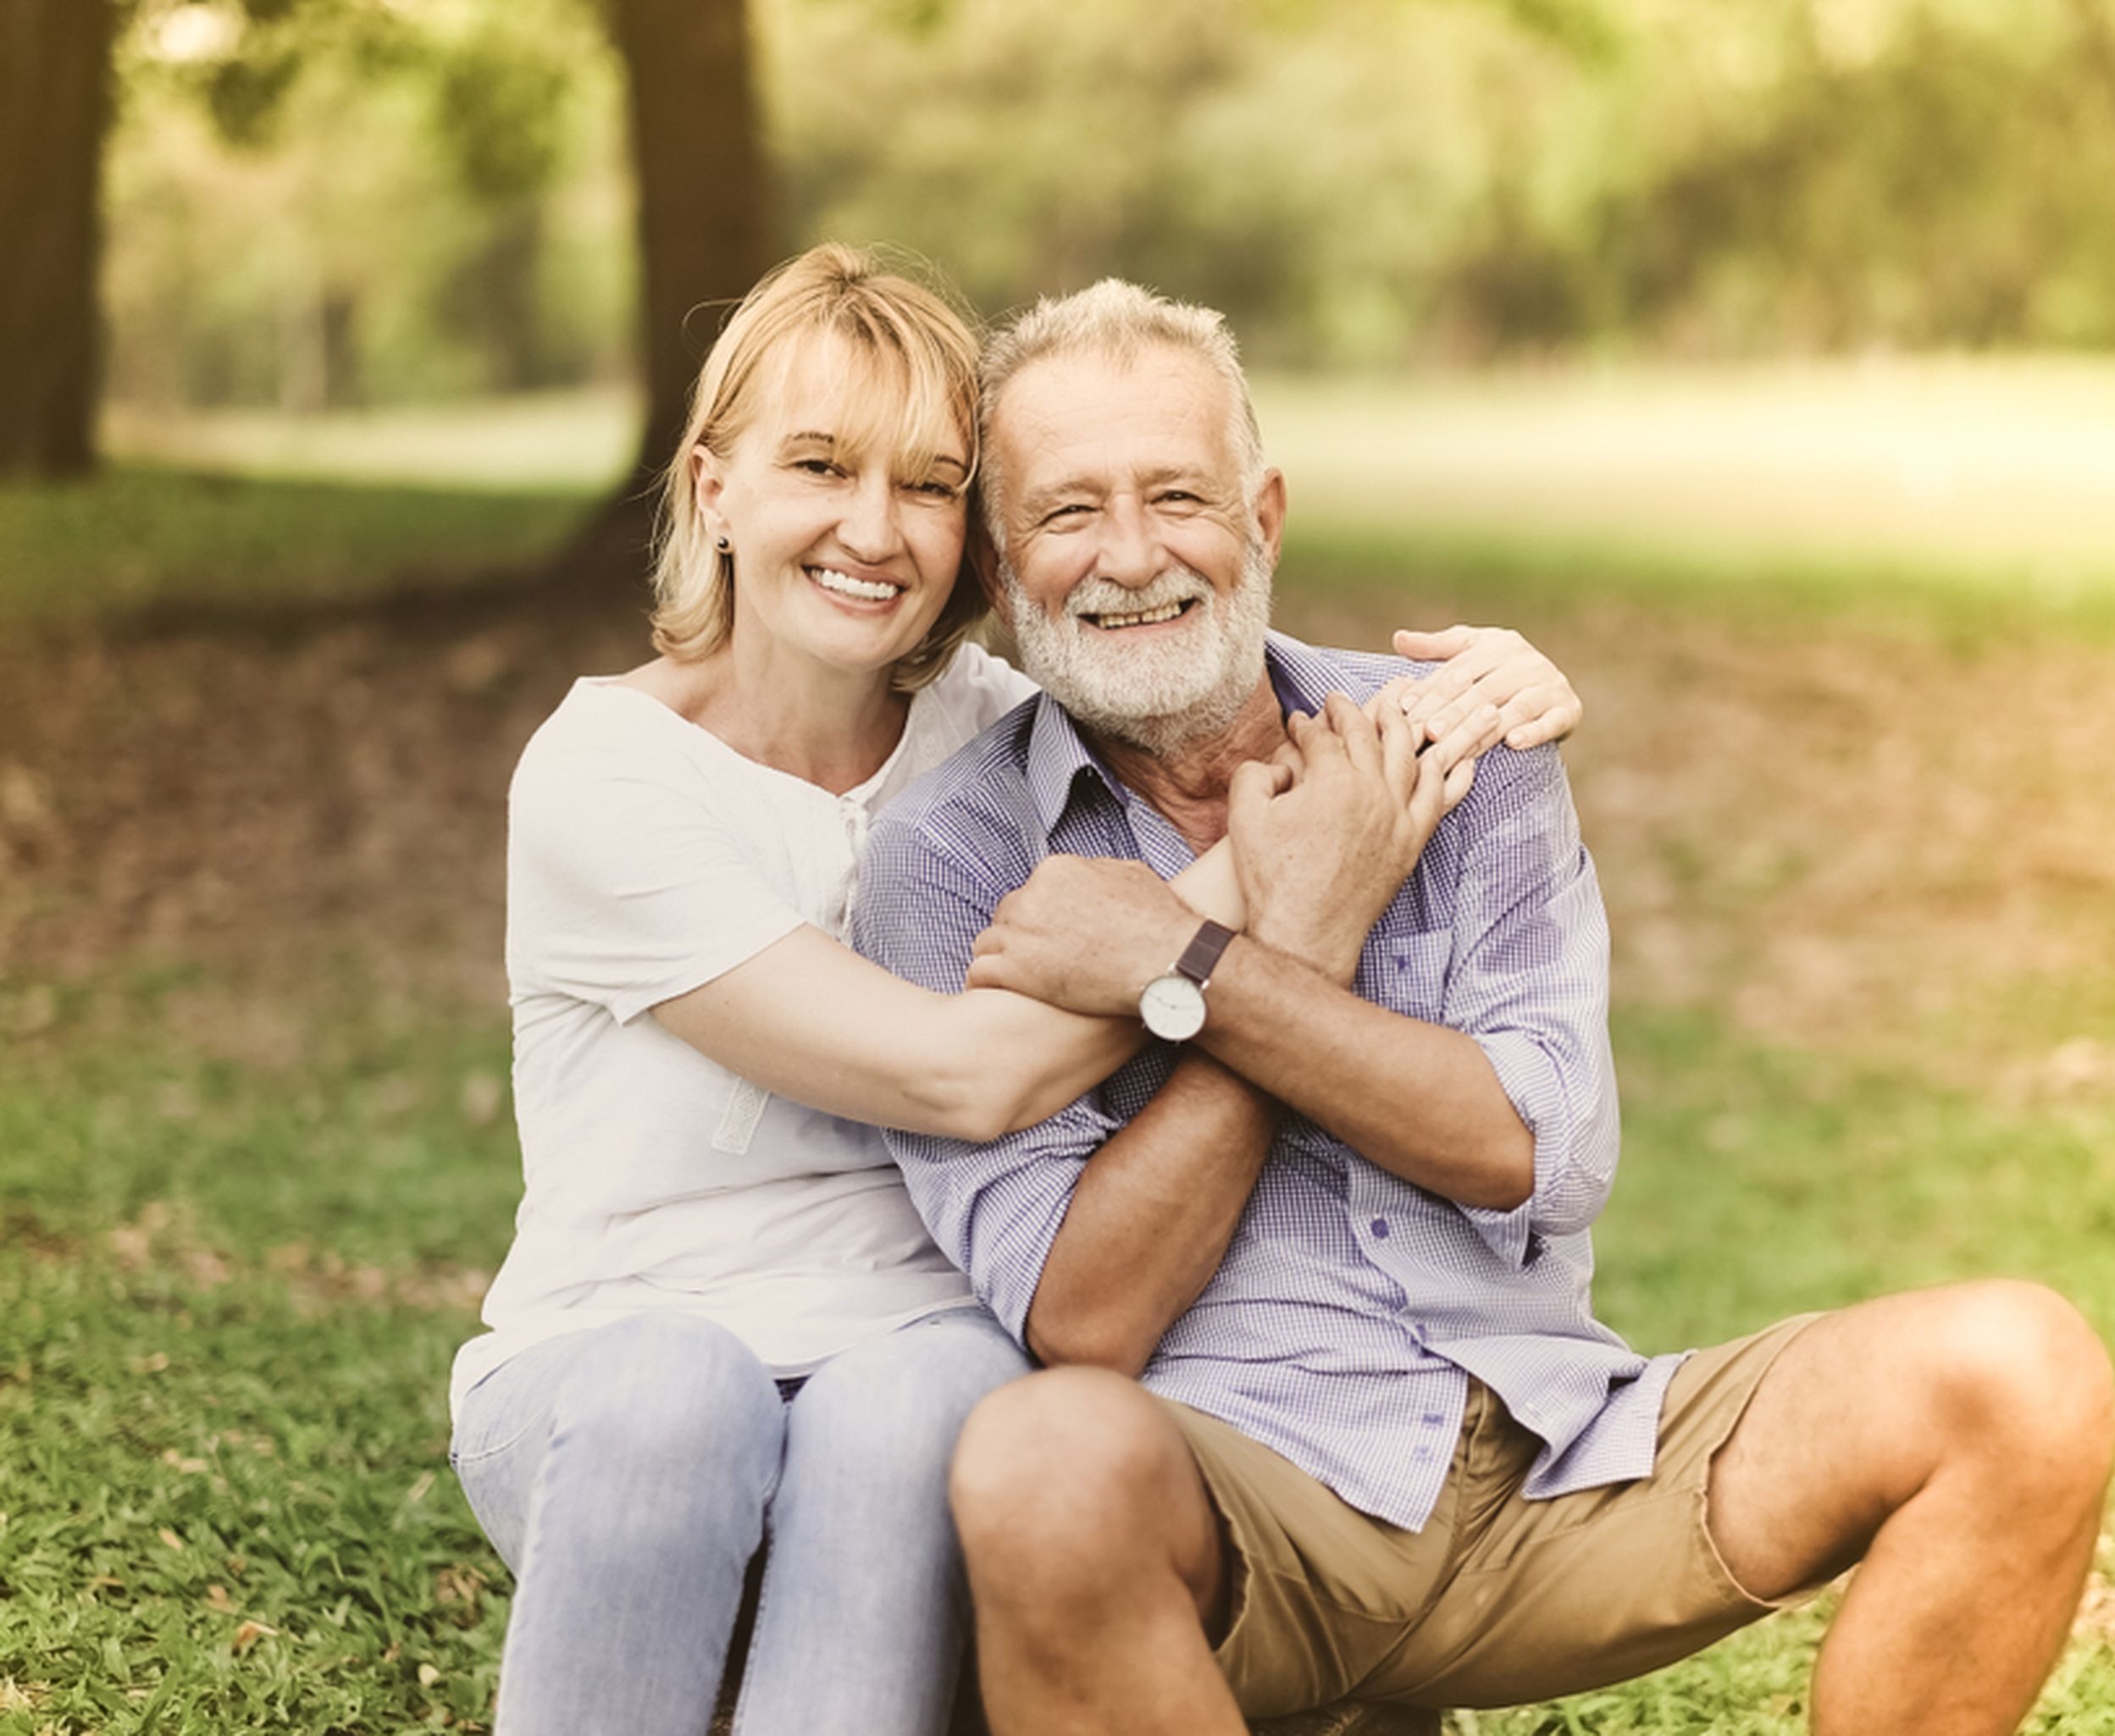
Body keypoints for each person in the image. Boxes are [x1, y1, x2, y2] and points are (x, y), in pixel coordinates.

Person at [855, 278, 2115, 1736]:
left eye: (1178, 495)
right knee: (1040, 1459)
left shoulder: (1462, 737)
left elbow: (1539, 1146)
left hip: (1553, 1459)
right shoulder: (951, 866)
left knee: (2024, 1370)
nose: (1134, 556)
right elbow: (1087, 1316)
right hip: (1243, 1503)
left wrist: (1211, 970)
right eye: (1069, 513)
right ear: (1003, 573)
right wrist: (1313, 924)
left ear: (1263, 519)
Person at [443, 242, 1586, 1736]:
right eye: (818, 465)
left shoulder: (998, 732)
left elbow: (1213, 677)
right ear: (713, 488)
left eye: (925, 482)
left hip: (912, 1357)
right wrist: (1284, 874)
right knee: (683, 1388)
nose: (874, 527)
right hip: (623, 1373)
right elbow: (960, 1074)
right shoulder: (605, 776)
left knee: (924, 1394)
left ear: (972, 536)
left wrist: (1463, 699)